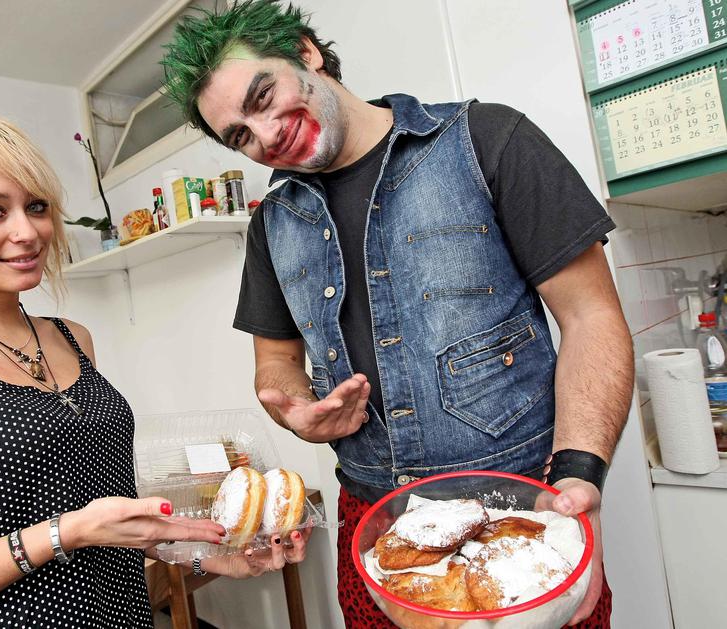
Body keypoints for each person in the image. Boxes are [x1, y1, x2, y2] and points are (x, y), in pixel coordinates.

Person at [161, 1, 633, 626]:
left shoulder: (487, 139)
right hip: (372, 523)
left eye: (263, 96)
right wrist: (297, 410)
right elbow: (275, 361)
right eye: (241, 135)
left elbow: (592, 318)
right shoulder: (271, 224)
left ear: (306, 53)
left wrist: (578, 478)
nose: (266, 134)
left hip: (521, 511)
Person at [0, 114, 309, 628]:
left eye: (37, 206)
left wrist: (205, 555)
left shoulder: (72, 338)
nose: (27, 232)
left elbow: (101, 521)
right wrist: (62, 534)